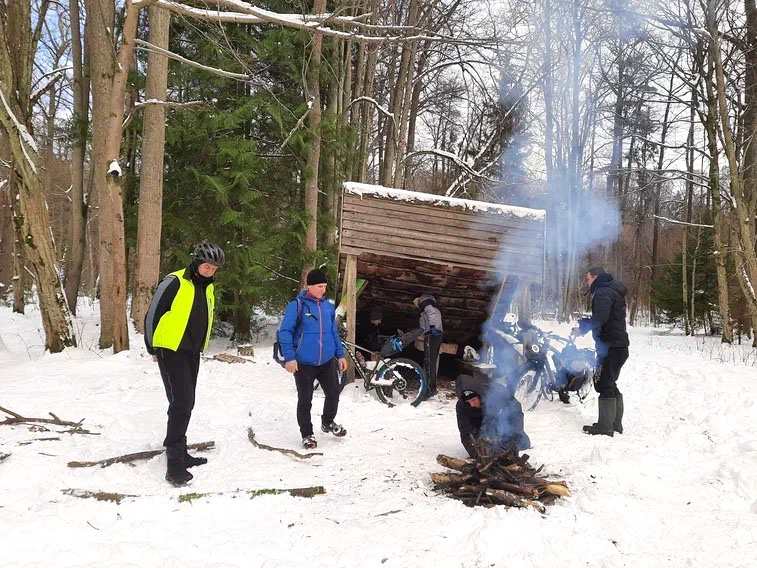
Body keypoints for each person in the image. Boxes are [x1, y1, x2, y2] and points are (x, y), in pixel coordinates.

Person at [144, 241, 224, 486]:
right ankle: (174, 463)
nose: (210, 271)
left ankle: (182, 450)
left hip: (192, 352)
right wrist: (151, 346)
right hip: (170, 349)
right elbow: (153, 313)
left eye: (214, 268)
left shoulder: (207, 288)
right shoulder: (175, 281)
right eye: (207, 266)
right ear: (197, 261)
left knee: (185, 402)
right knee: (181, 402)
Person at [278, 269, 348, 449]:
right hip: (303, 363)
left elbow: (333, 332)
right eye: (319, 286)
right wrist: (289, 358)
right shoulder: (297, 305)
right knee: (305, 400)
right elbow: (285, 332)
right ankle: (307, 434)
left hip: (326, 362)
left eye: (324, 286)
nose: (323, 290)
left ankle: (328, 422)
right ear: (309, 286)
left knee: (333, 393)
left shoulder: (328, 307)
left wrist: (340, 355)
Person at [571, 266, 630, 436]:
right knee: (609, 383)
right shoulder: (612, 290)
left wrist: (582, 328)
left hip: (611, 347)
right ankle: (615, 424)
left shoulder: (604, 292)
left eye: (588, 278)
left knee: (604, 384)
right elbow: (606, 317)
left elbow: (601, 319)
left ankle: (605, 428)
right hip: (618, 346)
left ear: (595, 277)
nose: (587, 282)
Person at [455, 372, 530, 458]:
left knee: (523, 443)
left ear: (479, 394)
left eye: (473, 400)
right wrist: (476, 454)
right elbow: (466, 432)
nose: (472, 404)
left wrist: (514, 432)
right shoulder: (461, 407)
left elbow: (515, 411)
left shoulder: (496, 391)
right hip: (480, 431)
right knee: (487, 449)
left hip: (501, 425)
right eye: (468, 402)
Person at [414, 294, 443, 400]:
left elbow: (430, 315)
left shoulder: (427, 306)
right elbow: (422, 326)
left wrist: (432, 327)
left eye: (416, 304)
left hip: (432, 335)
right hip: (433, 335)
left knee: (429, 362)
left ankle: (430, 389)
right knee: (430, 361)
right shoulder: (426, 311)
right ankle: (428, 387)